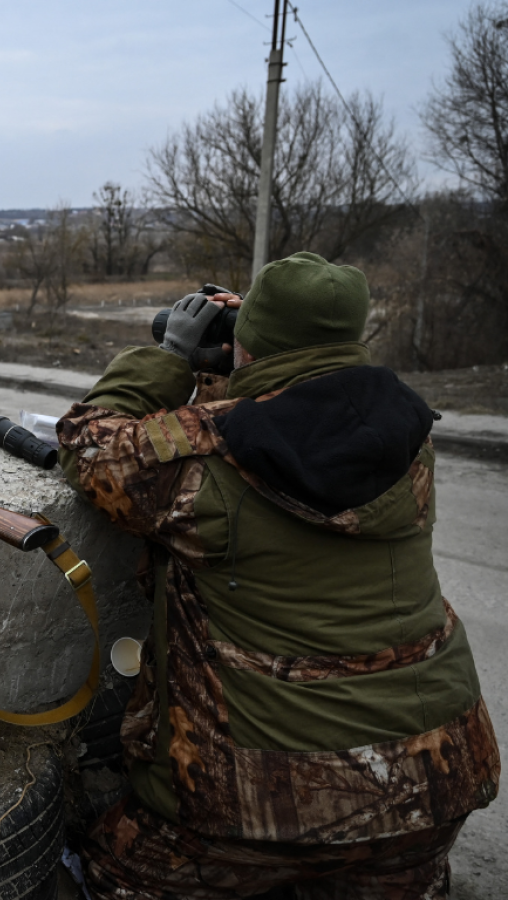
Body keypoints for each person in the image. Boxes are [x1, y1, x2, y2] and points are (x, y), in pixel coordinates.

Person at [56, 252, 499, 898]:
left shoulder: (207, 456)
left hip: (254, 814)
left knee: (107, 868)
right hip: (431, 790)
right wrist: (249, 361)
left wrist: (176, 356)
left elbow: (89, 444)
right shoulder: (407, 434)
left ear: (253, 351)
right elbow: (299, 416)